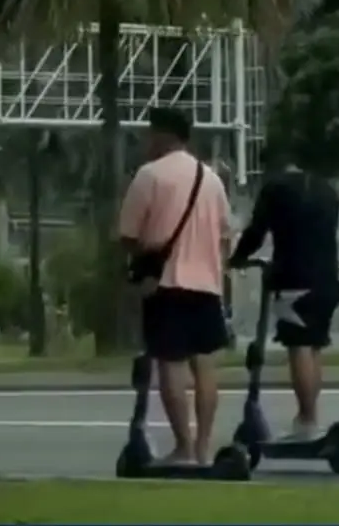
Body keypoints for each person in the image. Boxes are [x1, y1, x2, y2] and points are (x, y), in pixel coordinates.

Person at [119, 107, 232, 466]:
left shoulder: (149, 176)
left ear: (165, 134)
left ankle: (182, 448)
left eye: (151, 133)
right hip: (208, 286)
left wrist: (143, 256)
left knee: (170, 365)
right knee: (205, 366)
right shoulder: (211, 178)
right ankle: (203, 447)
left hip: (166, 285)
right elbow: (226, 235)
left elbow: (127, 235)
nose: (147, 140)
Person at [229, 155, 339, 442]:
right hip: (328, 278)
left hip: (295, 280)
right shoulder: (327, 190)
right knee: (315, 345)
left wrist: (238, 258)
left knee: (300, 346)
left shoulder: (276, 189)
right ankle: (310, 417)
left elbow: (256, 231)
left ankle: (306, 420)